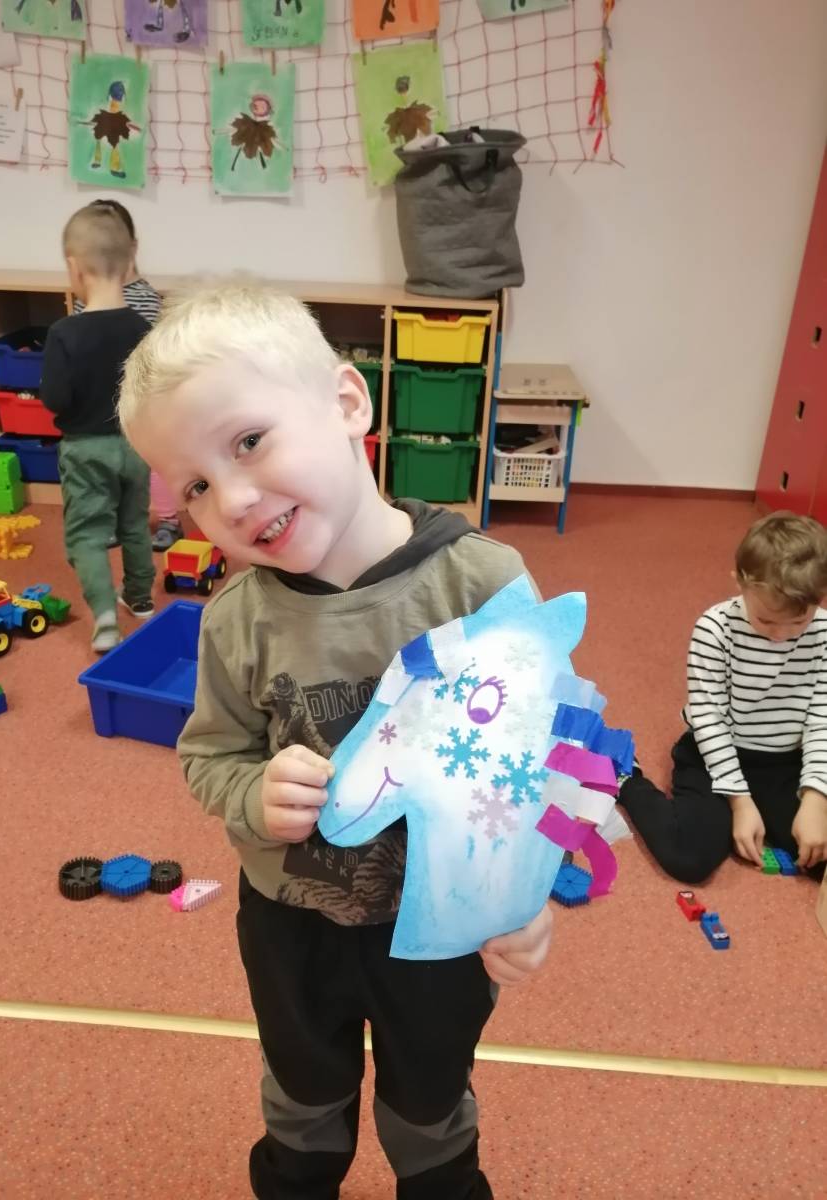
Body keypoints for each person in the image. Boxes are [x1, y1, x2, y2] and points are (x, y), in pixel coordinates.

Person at [118, 283, 553, 1200]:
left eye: (248, 441)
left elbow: (530, 767)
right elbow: (209, 754)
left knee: (430, 1101)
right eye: (196, 486)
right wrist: (252, 793)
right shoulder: (235, 619)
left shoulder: (483, 583)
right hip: (291, 922)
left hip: (438, 929)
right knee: (303, 1093)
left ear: (349, 403)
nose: (233, 500)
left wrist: (520, 895)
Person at [619, 511, 827, 883]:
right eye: (766, 620)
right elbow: (709, 721)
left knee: (818, 843)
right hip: (715, 753)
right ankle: (627, 780)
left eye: (798, 622)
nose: (780, 636)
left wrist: (815, 799)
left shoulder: (823, 634)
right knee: (689, 856)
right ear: (740, 582)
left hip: (786, 763)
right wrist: (740, 802)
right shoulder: (715, 629)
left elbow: (822, 720)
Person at [41, 203, 156, 653]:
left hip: (86, 449)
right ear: (128, 262)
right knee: (134, 523)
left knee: (86, 533)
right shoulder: (143, 326)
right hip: (135, 444)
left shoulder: (64, 333)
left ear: (74, 268)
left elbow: (55, 398)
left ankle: (106, 618)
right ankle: (140, 596)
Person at [73, 199, 184, 551]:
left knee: (152, 463)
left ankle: (169, 520)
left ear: (131, 250)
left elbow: (151, 353)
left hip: (140, 398)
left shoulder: (144, 298)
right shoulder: (84, 300)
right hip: (102, 402)